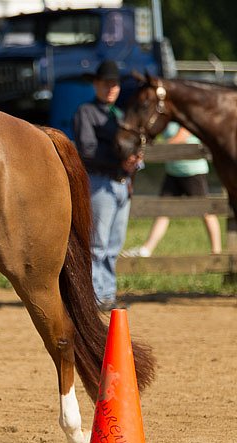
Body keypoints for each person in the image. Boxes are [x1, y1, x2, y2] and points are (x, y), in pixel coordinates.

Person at [73, 60, 143, 312]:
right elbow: (87, 150)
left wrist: (135, 160)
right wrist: (120, 160)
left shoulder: (121, 114)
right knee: (97, 244)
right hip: (100, 182)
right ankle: (93, 294)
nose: (111, 88)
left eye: (114, 84)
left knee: (114, 243)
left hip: (121, 183)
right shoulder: (86, 112)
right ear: (96, 84)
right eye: (105, 84)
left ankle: (107, 292)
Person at [122, 122, 222, 258]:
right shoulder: (167, 120)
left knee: (205, 211)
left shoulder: (185, 117)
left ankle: (217, 253)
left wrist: (155, 149)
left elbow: (182, 137)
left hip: (191, 171)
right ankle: (146, 250)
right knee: (163, 211)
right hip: (173, 171)